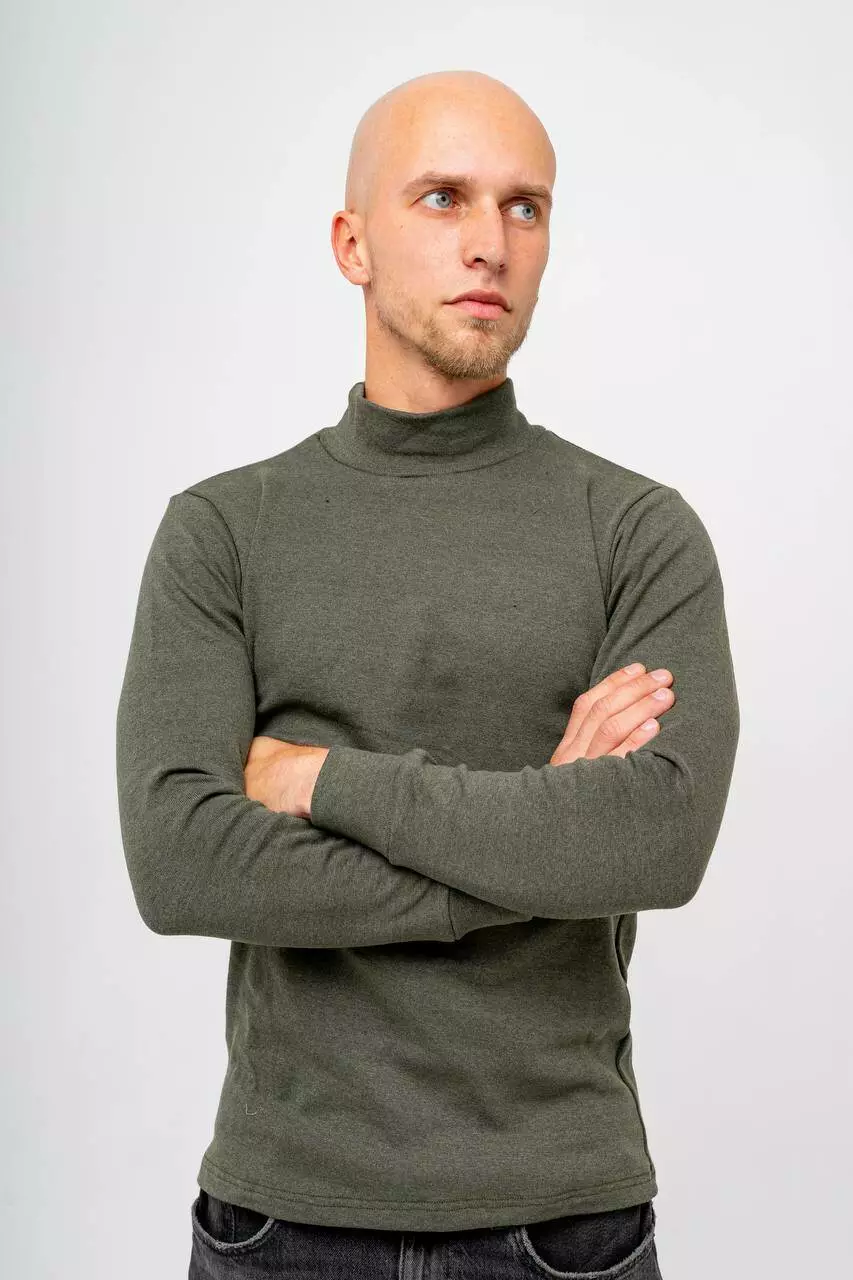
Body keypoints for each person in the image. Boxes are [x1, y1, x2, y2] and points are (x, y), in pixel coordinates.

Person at [115, 68, 739, 1280]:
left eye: (524, 206)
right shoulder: (223, 530)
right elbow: (181, 860)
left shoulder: (637, 530)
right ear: (351, 243)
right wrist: (538, 836)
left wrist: (319, 778)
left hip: (563, 1222)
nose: (490, 241)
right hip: (281, 1217)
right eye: (444, 197)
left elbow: (653, 841)